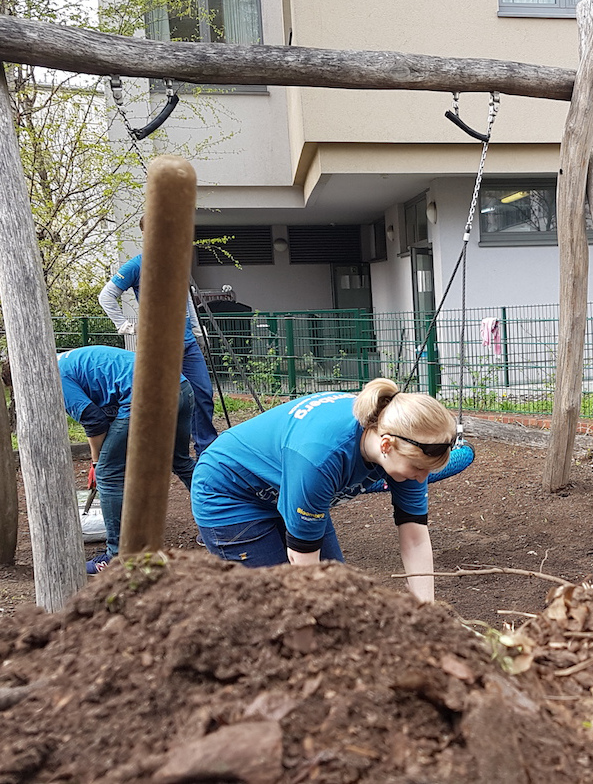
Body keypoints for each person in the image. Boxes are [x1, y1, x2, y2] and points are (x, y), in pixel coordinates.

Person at [190, 380, 455, 603]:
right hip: (230, 492)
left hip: (290, 486)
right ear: (386, 445)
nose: (422, 477)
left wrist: (427, 613)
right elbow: (304, 566)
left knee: (340, 595)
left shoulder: (407, 448)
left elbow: (415, 538)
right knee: (275, 605)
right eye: (419, 469)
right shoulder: (322, 458)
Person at [57, 346, 197, 574]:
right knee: (180, 461)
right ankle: (222, 522)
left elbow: (94, 421)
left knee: (108, 474)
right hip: (179, 386)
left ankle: (117, 558)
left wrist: (96, 463)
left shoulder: (55, 377)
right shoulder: (68, 360)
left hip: (145, 396)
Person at [98, 222, 218, 457]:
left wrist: (197, 330)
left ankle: (208, 450)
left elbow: (187, 301)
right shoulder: (137, 265)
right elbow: (107, 296)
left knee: (202, 393)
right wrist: (124, 325)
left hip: (187, 344)